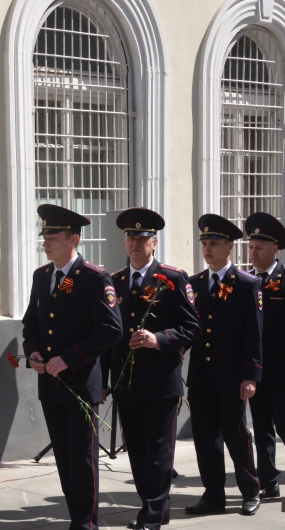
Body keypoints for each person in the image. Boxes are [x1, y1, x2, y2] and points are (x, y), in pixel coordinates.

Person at [22, 204, 122, 530]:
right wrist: (34, 352)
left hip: (80, 382)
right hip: (50, 385)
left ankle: (85, 522)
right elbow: (31, 326)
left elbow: (111, 330)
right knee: (64, 459)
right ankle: (77, 515)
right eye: (45, 235)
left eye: (53, 236)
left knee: (83, 459)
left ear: (73, 239)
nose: (45, 242)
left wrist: (68, 358)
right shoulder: (43, 277)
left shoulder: (94, 278)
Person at [103, 208, 200, 530]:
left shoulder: (172, 279)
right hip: (126, 382)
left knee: (158, 453)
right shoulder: (115, 281)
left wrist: (157, 338)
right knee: (139, 452)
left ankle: (152, 516)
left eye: (142, 238)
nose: (135, 243)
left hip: (160, 382)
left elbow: (191, 328)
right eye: (130, 237)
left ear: (154, 243)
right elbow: (107, 334)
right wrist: (104, 381)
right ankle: (155, 507)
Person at [184, 213, 262, 516]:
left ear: (229, 247)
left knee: (236, 435)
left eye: (214, 243)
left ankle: (250, 490)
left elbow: (254, 334)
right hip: (202, 377)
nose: (207, 248)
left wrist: (251, 376)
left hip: (231, 377)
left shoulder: (245, 284)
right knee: (205, 441)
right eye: (204, 242)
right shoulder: (194, 284)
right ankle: (213, 495)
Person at [245, 212, 285, 500]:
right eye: (250, 247)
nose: (254, 252)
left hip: (282, 370)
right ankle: (268, 480)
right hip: (256, 370)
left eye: (259, 247)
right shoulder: (246, 283)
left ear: (274, 250)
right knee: (261, 429)